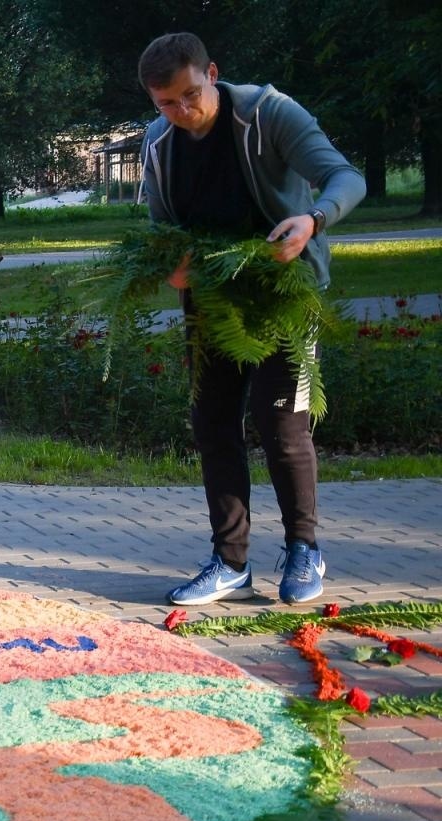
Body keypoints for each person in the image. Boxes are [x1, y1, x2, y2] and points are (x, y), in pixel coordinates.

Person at [138, 32, 364, 607]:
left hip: (283, 292)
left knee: (282, 427)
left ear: (211, 72)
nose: (183, 112)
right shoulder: (158, 143)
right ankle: (230, 562)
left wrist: (312, 220)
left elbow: (346, 178)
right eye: (166, 103)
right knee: (213, 426)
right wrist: (174, 265)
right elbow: (162, 229)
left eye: (191, 95)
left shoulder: (268, 113)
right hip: (212, 302)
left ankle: (304, 549)